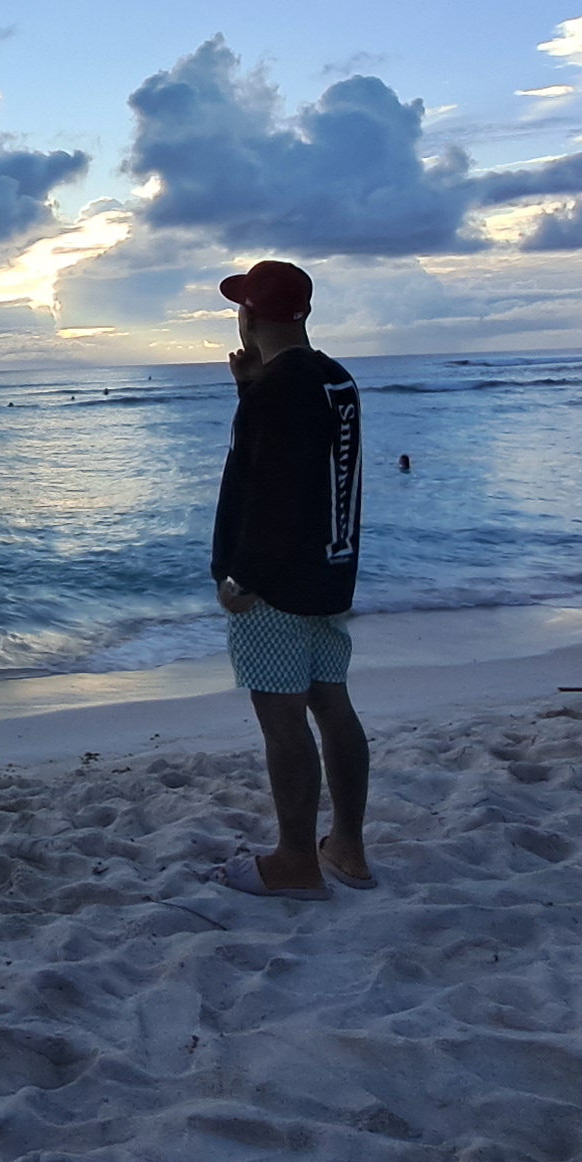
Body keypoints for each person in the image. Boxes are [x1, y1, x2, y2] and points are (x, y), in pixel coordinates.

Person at [209, 260, 373, 900]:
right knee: (332, 705)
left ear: (249, 316)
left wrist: (242, 577)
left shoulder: (278, 390)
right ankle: (348, 847)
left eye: (240, 308)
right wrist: (249, 392)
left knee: (282, 720)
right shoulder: (335, 379)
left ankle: (297, 861)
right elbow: (309, 468)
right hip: (331, 570)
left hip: (276, 585)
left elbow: (272, 492)